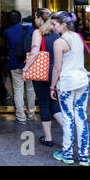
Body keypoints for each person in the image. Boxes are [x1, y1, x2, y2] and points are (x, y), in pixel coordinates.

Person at [50, 11, 90, 166]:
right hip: (82, 81)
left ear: (63, 25)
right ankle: (84, 156)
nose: (52, 27)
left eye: (54, 24)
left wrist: (52, 87)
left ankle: (67, 154)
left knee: (68, 118)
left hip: (67, 83)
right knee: (81, 118)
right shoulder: (79, 37)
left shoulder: (59, 42)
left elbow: (57, 69)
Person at [22, 8, 62, 147]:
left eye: (35, 17)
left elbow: (34, 53)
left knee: (44, 104)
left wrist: (25, 69)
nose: (34, 20)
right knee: (55, 103)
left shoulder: (38, 32)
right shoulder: (57, 32)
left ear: (40, 18)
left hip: (42, 72)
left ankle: (48, 138)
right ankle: (69, 131)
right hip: (56, 72)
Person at [3, 10, 36, 125]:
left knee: (18, 91)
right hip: (29, 63)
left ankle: (21, 116)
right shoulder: (30, 30)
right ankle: (31, 113)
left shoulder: (7, 32)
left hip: (15, 64)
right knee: (30, 89)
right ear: (21, 19)